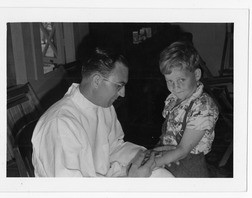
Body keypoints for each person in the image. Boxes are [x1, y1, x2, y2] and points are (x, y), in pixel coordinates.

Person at [31, 47, 173, 177]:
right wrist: (131, 182)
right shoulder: (60, 123)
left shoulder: (103, 106)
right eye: (119, 86)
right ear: (97, 80)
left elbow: (114, 148)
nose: (122, 94)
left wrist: (146, 155)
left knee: (160, 175)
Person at [152, 41, 219, 177]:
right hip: (169, 156)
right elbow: (168, 131)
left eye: (181, 80)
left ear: (196, 75)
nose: (175, 86)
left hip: (189, 166)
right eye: (169, 81)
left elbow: (183, 150)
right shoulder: (174, 98)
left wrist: (153, 163)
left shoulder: (204, 107)